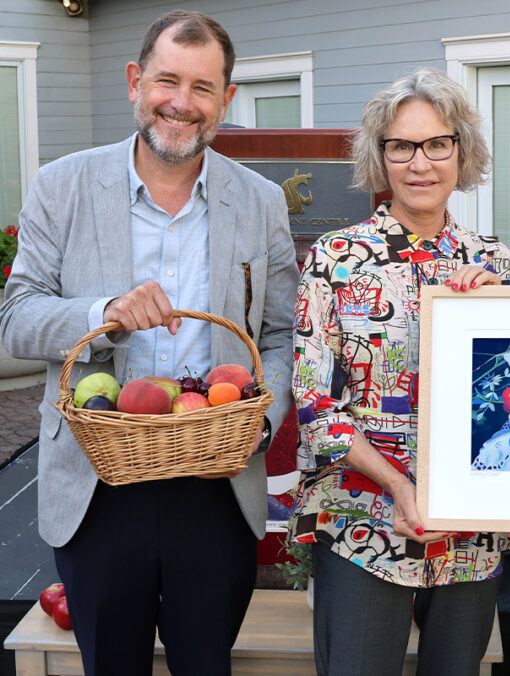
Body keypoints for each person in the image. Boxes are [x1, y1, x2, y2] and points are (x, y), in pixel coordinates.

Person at [0, 10, 298, 675]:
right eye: (167, 81)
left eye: (202, 87)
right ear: (136, 82)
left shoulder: (260, 201)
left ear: (225, 99)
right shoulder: (61, 186)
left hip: (217, 479)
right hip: (99, 479)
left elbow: (281, 334)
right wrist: (103, 313)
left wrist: (259, 424)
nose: (181, 103)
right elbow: (16, 318)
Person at [290, 68, 510, 676]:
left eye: (437, 144)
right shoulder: (335, 259)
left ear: (461, 151)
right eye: (401, 146)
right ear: (380, 156)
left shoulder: (495, 263)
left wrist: (504, 311)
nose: (420, 163)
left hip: (471, 526)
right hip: (363, 520)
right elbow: (315, 403)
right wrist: (399, 486)